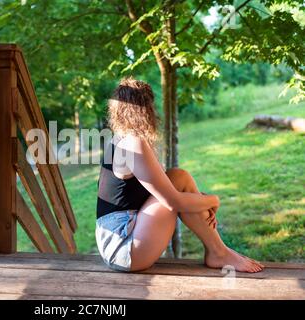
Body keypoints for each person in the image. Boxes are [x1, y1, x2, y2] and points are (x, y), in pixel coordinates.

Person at [96, 77, 264, 273]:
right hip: (123, 249)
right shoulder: (132, 143)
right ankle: (219, 252)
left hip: (124, 236)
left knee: (179, 176)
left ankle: (217, 250)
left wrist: (200, 201)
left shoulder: (121, 139)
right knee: (178, 191)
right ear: (146, 110)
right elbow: (173, 202)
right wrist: (212, 200)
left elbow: (168, 189)